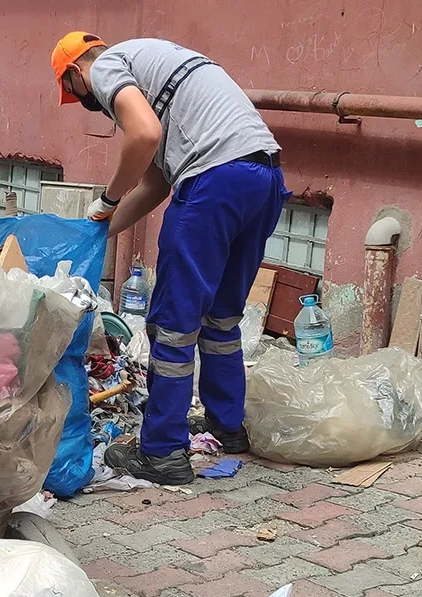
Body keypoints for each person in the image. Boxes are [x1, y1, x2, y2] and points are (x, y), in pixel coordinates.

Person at [52, 32, 290, 485]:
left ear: (75, 72)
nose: (85, 100)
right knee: (221, 318)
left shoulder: (107, 64)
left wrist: (108, 196)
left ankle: (162, 453)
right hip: (263, 180)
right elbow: (156, 184)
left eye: (74, 91)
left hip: (213, 183)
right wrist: (97, 230)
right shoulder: (159, 67)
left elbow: (144, 134)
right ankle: (227, 425)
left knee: (173, 325)